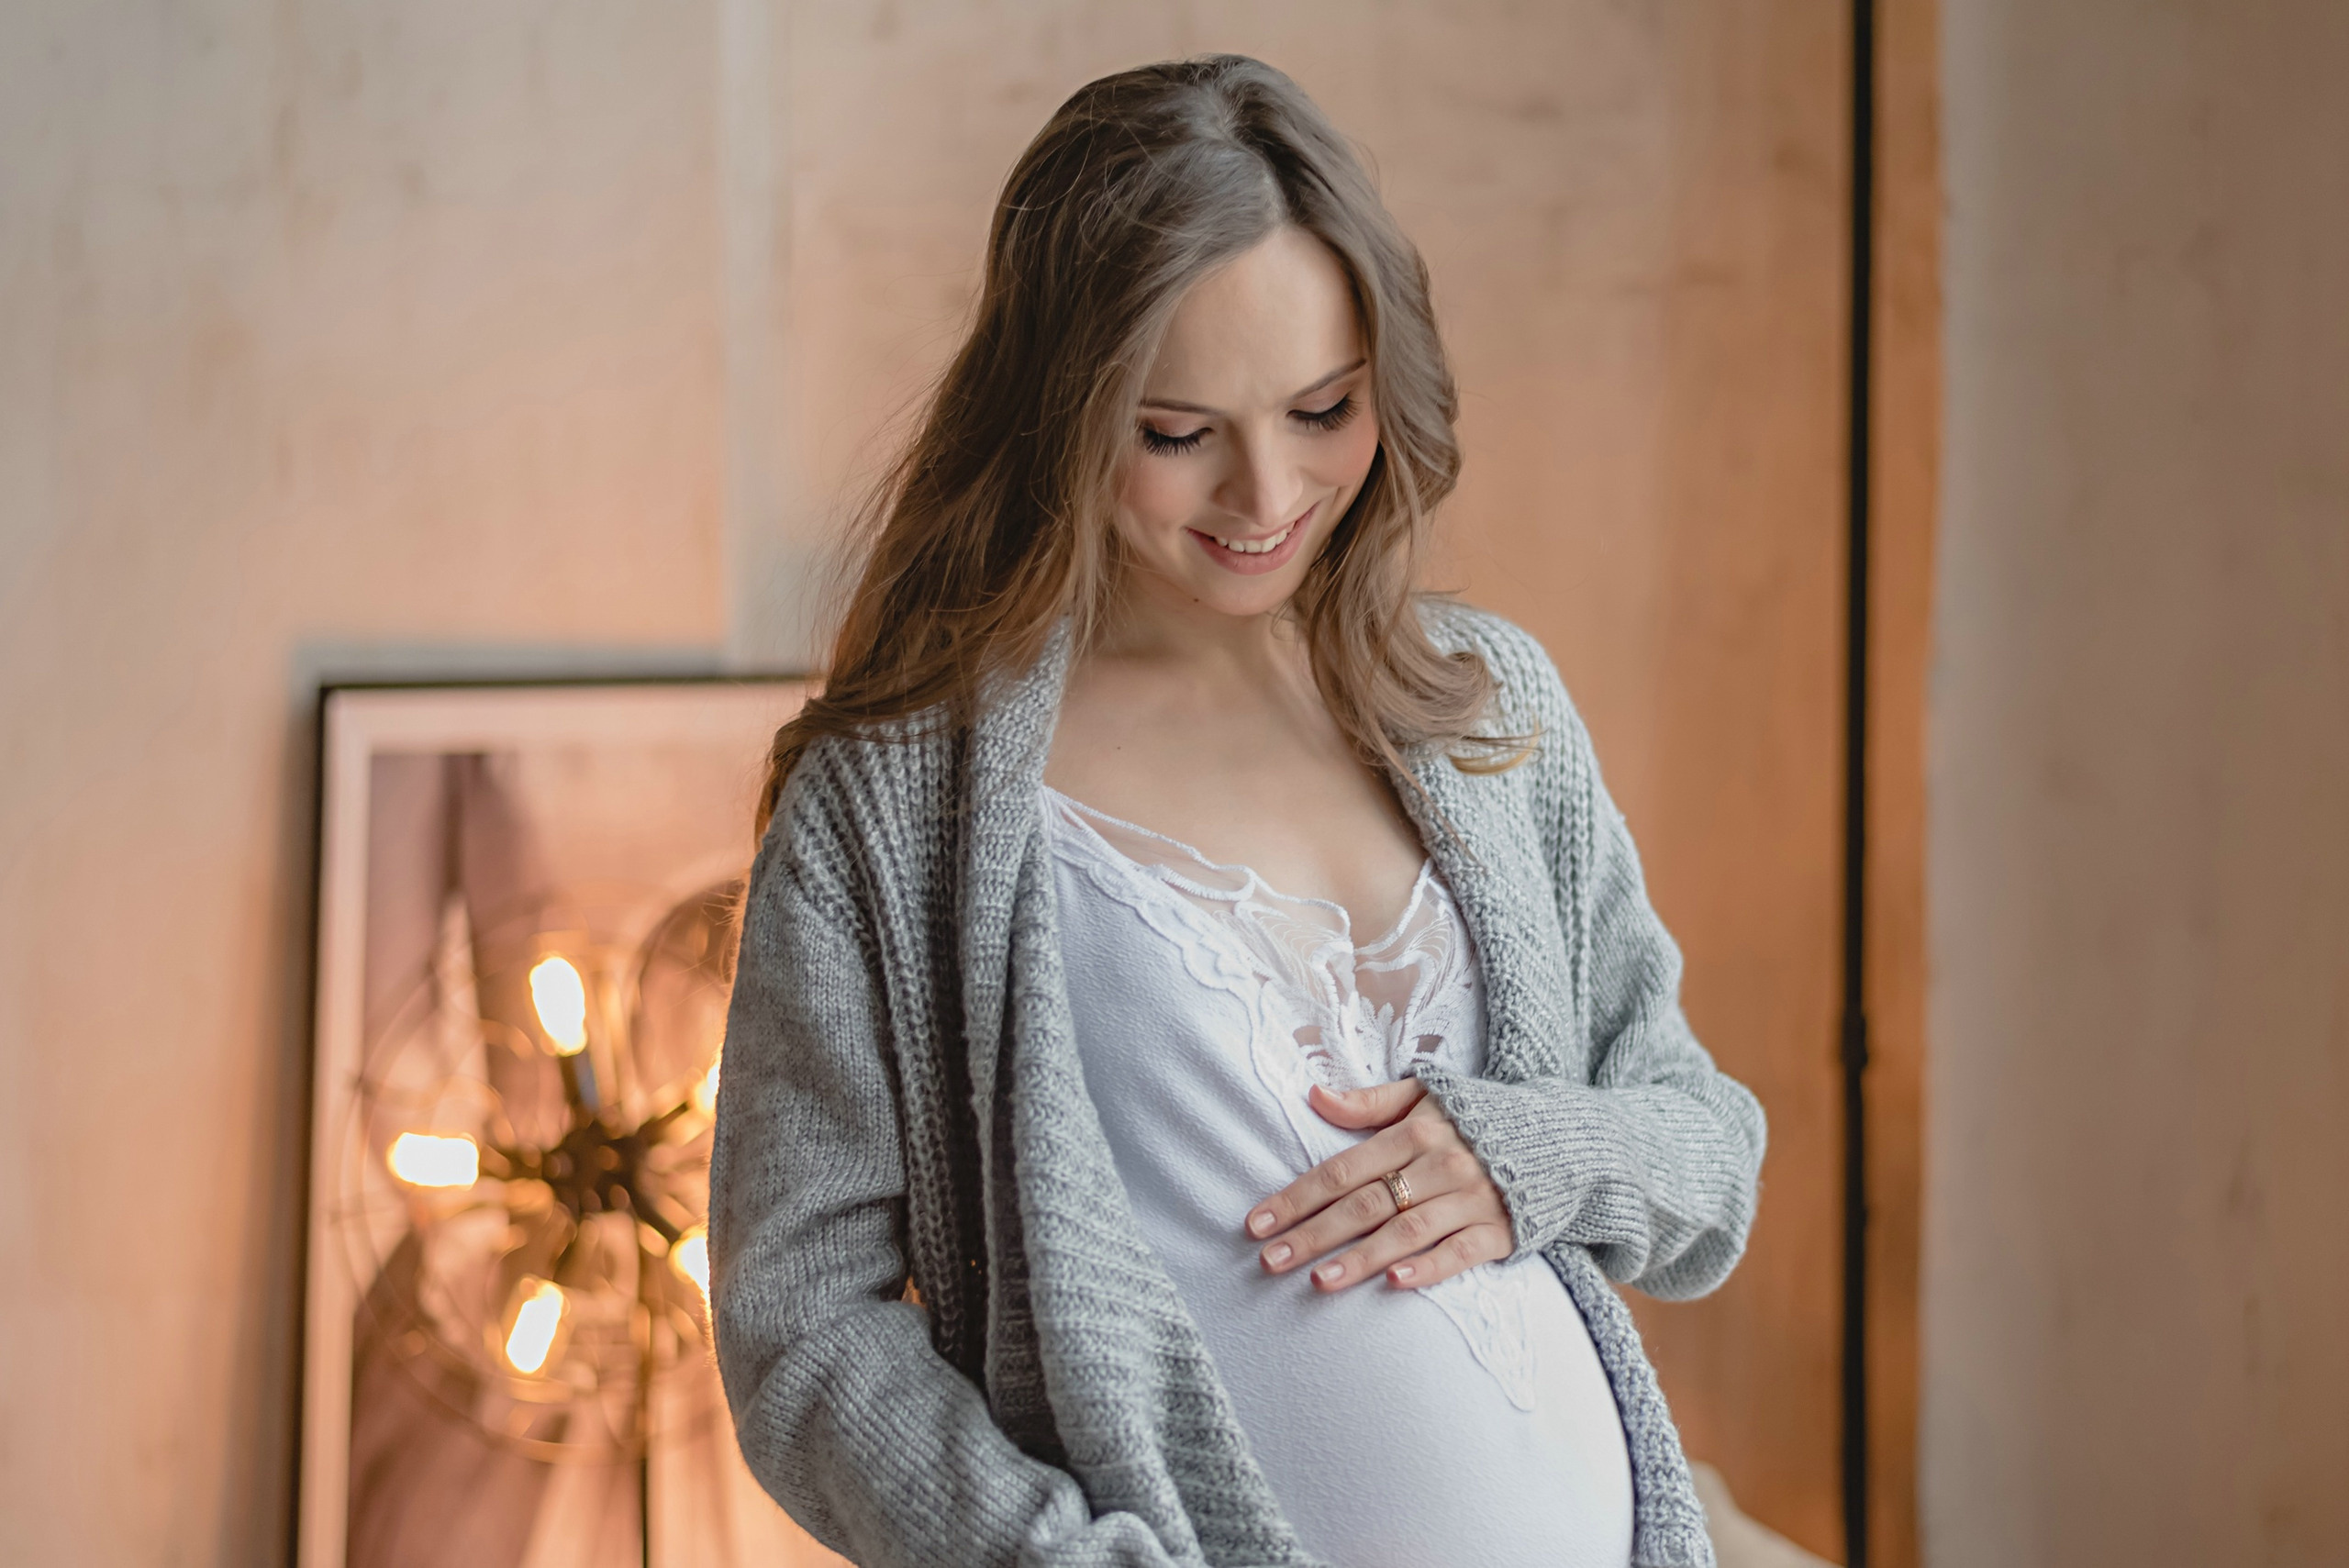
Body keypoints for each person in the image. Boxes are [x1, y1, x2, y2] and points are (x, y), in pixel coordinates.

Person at [708, 54, 1765, 1568]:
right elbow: (798, 1329)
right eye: (1176, 431)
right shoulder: (897, 812)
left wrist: (1524, 1156)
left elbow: (1707, 1151)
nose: (1265, 492)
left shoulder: (1490, 710)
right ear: (1063, 414)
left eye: (1323, 409)